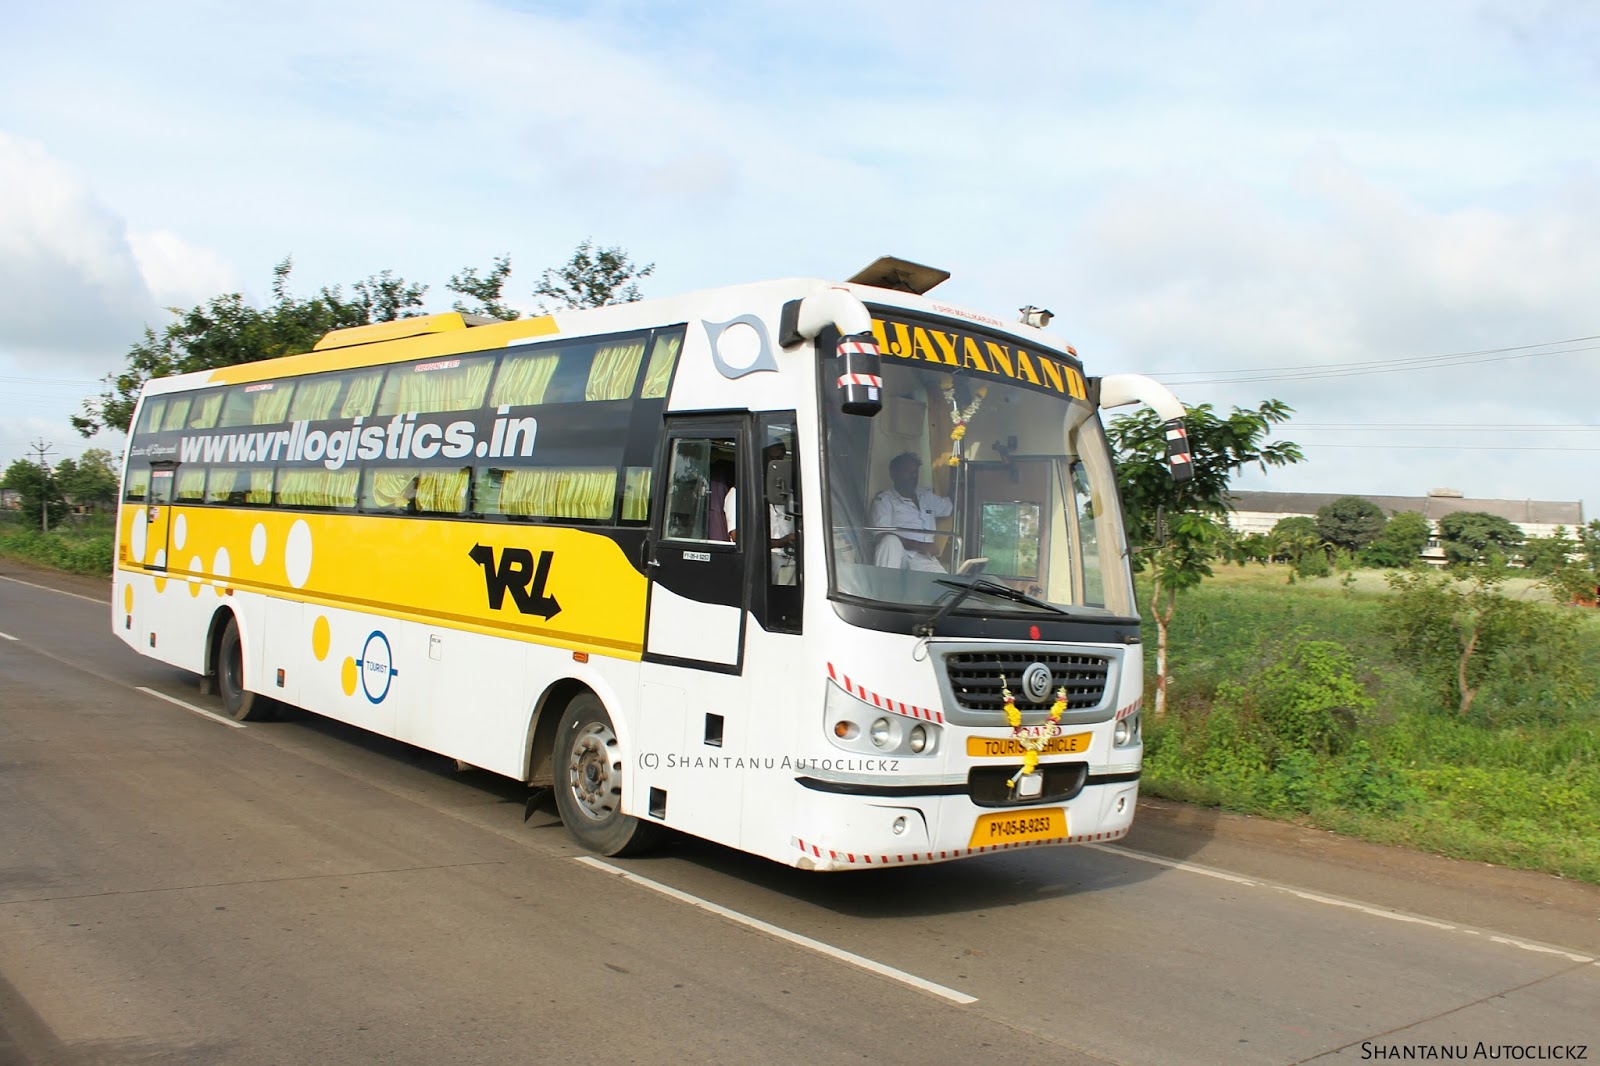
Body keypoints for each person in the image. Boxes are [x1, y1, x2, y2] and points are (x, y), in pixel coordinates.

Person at [723, 443, 797, 583]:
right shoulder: (740, 493)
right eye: (772, 459)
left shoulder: (790, 496)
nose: (776, 466)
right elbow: (738, 536)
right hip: (762, 563)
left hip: (792, 561)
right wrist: (782, 541)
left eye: (780, 459)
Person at [869, 452, 953, 571]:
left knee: (945, 586)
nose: (914, 476)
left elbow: (951, 507)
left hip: (925, 558)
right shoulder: (884, 500)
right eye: (909, 471)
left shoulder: (926, 496)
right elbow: (881, 534)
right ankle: (882, 586)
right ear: (893, 474)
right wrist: (919, 545)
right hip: (899, 554)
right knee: (889, 540)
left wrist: (955, 471)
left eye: (916, 472)